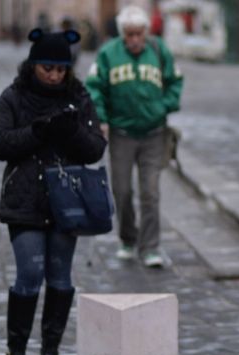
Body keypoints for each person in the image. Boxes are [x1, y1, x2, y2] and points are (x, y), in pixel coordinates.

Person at [0, 29, 107, 355]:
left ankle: (50, 351)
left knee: (60, 276)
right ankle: (17, 352)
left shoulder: (78, 96)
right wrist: (37, 132)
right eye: (47, 68)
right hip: (25, 199)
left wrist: (71, 132)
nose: (54, 75)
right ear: (34, 65)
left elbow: (96, 148)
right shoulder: (15, 96)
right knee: (29, 273)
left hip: (67, 201)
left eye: (60, 69)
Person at [86, 5, 184, 268]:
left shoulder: (158, 50)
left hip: (154, 133)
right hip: (121, 134)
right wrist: (102, 118)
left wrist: (163, 107)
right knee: (122, 191)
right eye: (129, 34)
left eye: (139, 34)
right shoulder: (108, 53)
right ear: (122, 34)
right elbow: (94, 88)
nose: (135, 40)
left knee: (150, 192)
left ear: (146, 32)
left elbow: (175, 81)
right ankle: (128, 238)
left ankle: (150, 247)